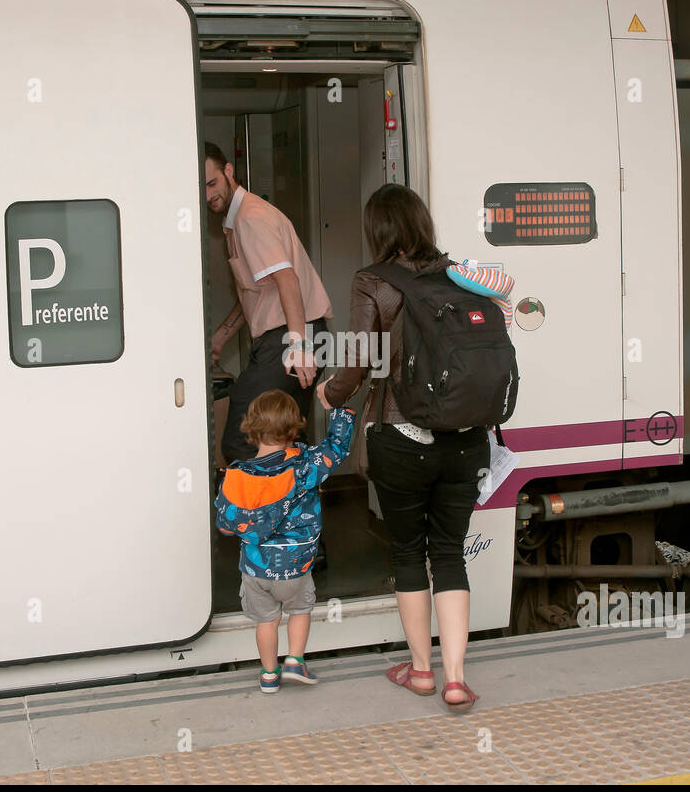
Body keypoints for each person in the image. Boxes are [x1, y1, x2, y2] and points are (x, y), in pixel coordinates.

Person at [316, 184, 512, 714]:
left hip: (400, 437)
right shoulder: (461, 274)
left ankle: (420, 671)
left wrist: (327, 393)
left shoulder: (372, 281)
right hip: (467, 437)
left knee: (409, 552)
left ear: (377, 231)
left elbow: (358, 364)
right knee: (448, 552)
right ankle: (455, 679)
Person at [214, 389, 355, 693]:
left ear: (251, 429)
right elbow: (336, 448)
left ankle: (268, 675)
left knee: (266, 620)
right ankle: (294, 660)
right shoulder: (304, 466)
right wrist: (340, 408)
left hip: (255, 568)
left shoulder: (237, 475)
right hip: (296, 566)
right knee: (299, 610)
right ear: (294, 427)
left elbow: (225, 526)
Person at [205, 142, 334, 464]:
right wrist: (222, 336)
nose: (208, 195)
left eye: (212, 184)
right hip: (295, 336)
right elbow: (259, 290)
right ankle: (293, 511)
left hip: (289, 339)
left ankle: (257, 513)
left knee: (243, 438)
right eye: (201, 188)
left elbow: (288, 280)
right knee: (284, 438)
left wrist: (299, 346)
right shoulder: (236, 221)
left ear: (229, 172)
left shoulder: (250, 217)